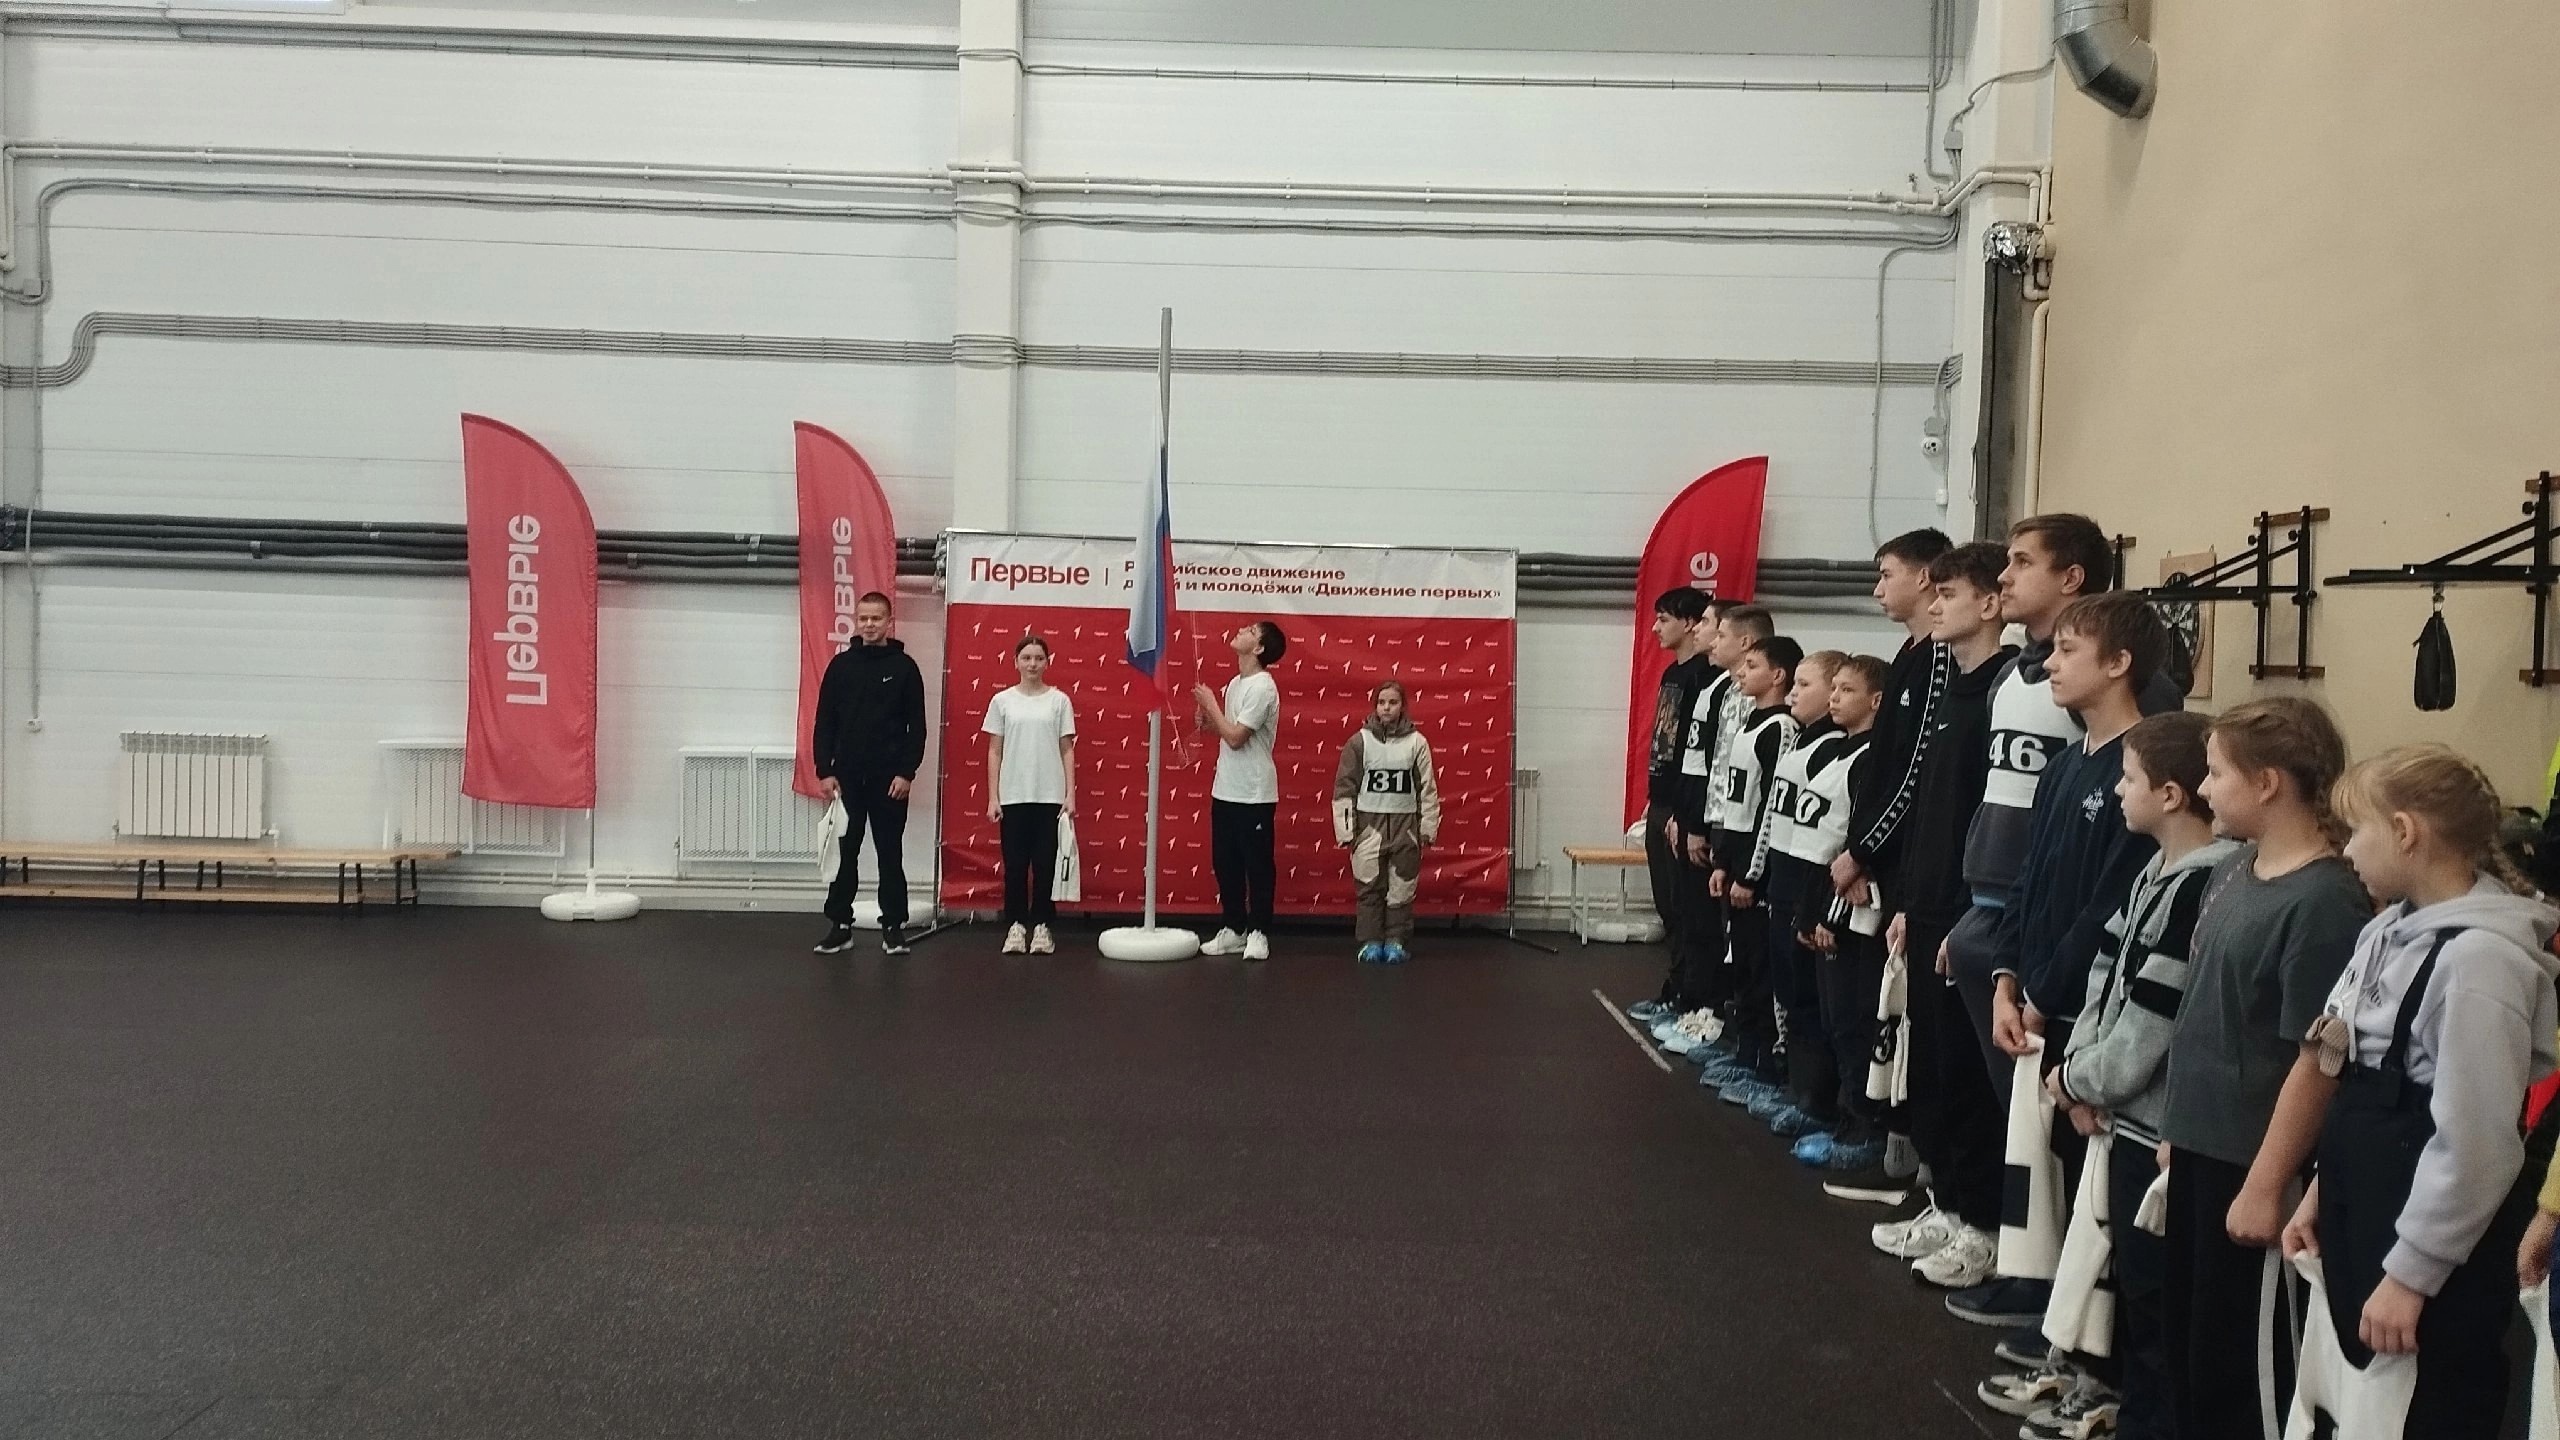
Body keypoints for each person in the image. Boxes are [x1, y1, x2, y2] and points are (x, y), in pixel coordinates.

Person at [1941, 513, 2182, 1332]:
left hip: (2079, 1004)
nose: (2048, 663)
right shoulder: (2065, 767)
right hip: (2035, 986)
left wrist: (2042, 992)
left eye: (2067, 652)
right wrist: (2008, 974)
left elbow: (2109, 906)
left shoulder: (2135, 769)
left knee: (2084, 1169)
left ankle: (2079, 1332)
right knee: (2033, 1148)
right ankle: (2039, 1291)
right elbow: (2029, 882)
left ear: (2117, 665)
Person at [2280, 745, 2559, 1438]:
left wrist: (2412, 1275)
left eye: (2356, 832)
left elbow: (2476, 1146)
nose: (2346, 851)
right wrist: (2322, 1195)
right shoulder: (2386, 932)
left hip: (2432, 1264)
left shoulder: (2479, 963)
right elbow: (2357, 1077)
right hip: (2367, 1221)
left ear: (2405, 832)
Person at [2156, 697, 2369, 1440]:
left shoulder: (2325, 901)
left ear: (2268, 782)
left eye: (2216, 773)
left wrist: (2267, 1183)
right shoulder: (2235, 869)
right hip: (2199, 1148)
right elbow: (2205, 1016)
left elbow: (2320, 1063)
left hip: (2254, 1165)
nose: (2203, 788)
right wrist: (2177, 1129)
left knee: (2243, 1375)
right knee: (2190, 1352)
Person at [2022, 710, 2233, 1440]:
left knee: (2154, 1298)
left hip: (2152, 1126)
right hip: (2116, 1110)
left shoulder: (2203, 884)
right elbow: (2105, 977)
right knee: (2128, 1284)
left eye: (2129, 778)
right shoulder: (2156, 870)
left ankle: (2150, 1422)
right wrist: (2077, 1073)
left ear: (2171, 795)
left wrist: (2084, 1081)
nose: (2116, 791)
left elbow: (2153, 1022)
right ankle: (2125, 1407)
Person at [1863, 541, 2017, 1287]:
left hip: (1969, 914)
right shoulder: (1945, 687)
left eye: (1948, 594)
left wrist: (1965, 915)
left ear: (1989, 604)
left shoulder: (2006, 692)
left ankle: (1984, 1226)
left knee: (1967, 1077)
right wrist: (1906, 903)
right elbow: (1925, 801)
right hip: (1922, 905)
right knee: (1929, 1069)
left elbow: (1990, 821)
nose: (1935, 603)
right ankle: (1949, 1205)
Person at [1823, 526, 1956, 1202]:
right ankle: (1891, 1144)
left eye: (1886, 574)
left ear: (1925, 577)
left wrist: (1865, 850)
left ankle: (1909, 1158)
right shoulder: (1910, 653)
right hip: (1884, 860)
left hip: (1910, 869)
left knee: (1901, 1016)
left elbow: (1918, 772)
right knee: (1874, 1008)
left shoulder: (1939, 659)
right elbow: (1884, 770)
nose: (1878, 588)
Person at [1756, 649, 1861, 1139]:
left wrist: (1819, 907)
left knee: (1821, 1007)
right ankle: (1799, 1089)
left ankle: (1822, 1102)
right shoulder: (1806, 747)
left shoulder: (1850, 754)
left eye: (1806, 685)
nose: (1795, 694)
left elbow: (1835, 839)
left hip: (1815, 891)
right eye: (1830, 689)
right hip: (1785, 884)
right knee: (1793, 995)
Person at [1794, 652, 1886, 1163]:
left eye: (1846, 690)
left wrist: (1831, 915)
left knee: (1855, 1022)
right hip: (1824, 899)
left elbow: (1853, 850)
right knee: (1834, 1020)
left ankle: (1864, 1129)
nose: (1834, 697)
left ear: (1876, 701)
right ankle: (1840, 1114)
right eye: (1834, 688)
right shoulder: (1837, 752)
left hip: (1854, 913)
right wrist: (1809, 911)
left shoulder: (1873, 760)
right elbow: (1818, 844)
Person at [1701, 633, 1800, 1104]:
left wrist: (1750, 875)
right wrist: (1723, 861)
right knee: (1741, 966)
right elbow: (1736, 805)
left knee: (1762, 972)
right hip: (1736, 858)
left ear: (1777, 675)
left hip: (1757, 874)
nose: (1741, 673)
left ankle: (1767, 1065)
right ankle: (1746, 1052)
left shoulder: (1780, 729)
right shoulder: (1747, 725)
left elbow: (1770, 811)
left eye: (1752, 666)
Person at [810, 590, 927, 957]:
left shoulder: (905, 667)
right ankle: (840, 926)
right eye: (864, 618)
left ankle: (893, 928)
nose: (870, 624)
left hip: (890, 781)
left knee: (890, 853)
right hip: (846, 780)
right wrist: (825, 770)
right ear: (856, 621)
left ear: (889, 622)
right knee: (845, 853)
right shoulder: (840, 666)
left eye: (877, 618)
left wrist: (906, 772)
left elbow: (917, 727)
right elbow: (824, 722)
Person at [1628, 587, 1717, 1025]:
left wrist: (1684, 812)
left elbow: (1698, 756)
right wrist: (1655, 799)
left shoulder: (1704, 676)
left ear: (1690, 623)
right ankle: (1676, 989)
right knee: (1669, 907)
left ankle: (1691, 999)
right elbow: (1666, 744)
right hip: (1663, 803)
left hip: (1683, 809)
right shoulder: (1672, 674)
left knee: (1689, 910)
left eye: (1664, 619)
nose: (1655, 628)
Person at [1194, 620, 1287, 962]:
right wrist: (1206, 719)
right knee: (1225, 863)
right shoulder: (1236, 683)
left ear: (1259, 648)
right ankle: (1234, 929)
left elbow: (1235, 738)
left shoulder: (1263, 687)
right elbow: (1224, 730)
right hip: (1225, 789)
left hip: (1254, 793)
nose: (1241, 631)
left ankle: (1259, 932)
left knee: (1257, 866)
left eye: (1250, 631)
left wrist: (1211, 705)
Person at [1332, 680, 1441, 965]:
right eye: (1381, 703)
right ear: (1375, 706)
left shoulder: (1417, 743)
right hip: (1369, 829)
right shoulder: (1359, 742)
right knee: (1368, 888)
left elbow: (1427, 789)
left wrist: (1427, 829)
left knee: (1401, 890)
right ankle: (1370, 942)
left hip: (1406, 831)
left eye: (1393, 702)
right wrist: (1347, 832)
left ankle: (1396, 942)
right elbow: (1345, 788)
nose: (1386, 708)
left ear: (1402, 706)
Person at [982, 634, 1076, 955]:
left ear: (1047, 663)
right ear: (1016, 662)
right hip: (1012, 796)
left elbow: (1067, 749)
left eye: (1038, 658)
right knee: (1015, 866)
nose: (1033, 664)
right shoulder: (1002, 701)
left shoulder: (1059, 701)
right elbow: (994, 751)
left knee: (1045, 865)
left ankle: (1042, 926)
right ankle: (1016, 926)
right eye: (1027, 658)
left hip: (1050, 797)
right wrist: (993, 797)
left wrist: (1070, 794)